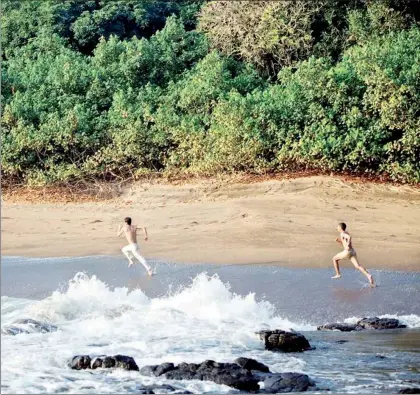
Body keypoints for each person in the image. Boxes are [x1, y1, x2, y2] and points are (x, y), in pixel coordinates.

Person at [332, 222, 375, 287]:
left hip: (347, 252)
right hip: (352, 251)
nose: (337, 228)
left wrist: (348, 243)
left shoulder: (343, 233)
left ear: (340, 228)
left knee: (334, 259)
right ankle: (368, 275)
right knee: (357, 266)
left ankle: (338, 274)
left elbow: (349, 237)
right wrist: (339, 241)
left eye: (337, 227)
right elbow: (344, 243)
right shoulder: (345, 233)